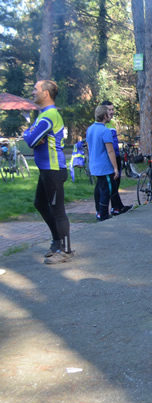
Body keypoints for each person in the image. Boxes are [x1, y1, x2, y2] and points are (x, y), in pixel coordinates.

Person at [23, 80, 73, 265]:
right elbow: (32, 136)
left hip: (53, 169)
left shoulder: (49, 115)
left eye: (35, 89)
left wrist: (30, 134)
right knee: (40, 204)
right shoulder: (44, 115)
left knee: (57, 210)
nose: (32, 92)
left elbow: (31, 139)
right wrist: (31, 134)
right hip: (46, 169)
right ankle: (57, 242)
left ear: (45, 93)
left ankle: (65, 250)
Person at [86, 105, 120, 222]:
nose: (110, 115)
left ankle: (109, 210)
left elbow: (89, 147)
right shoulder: (105, 131)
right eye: (109, 113)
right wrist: (115, 168)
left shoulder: (90, 129)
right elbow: (110, 151)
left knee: (106, 188)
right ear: (105, 116)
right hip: (104, 167)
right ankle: (103, 214)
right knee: (106, 191)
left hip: (94, 165)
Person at [101, 100, 132, 216]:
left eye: (112, 109)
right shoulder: (102, 125)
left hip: (116, 155)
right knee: (106, 186)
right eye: (109, 110)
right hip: (109, 157)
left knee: (115, 184)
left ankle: (116, 207)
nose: (111, 112)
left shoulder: (112, 123)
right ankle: (102, 211)